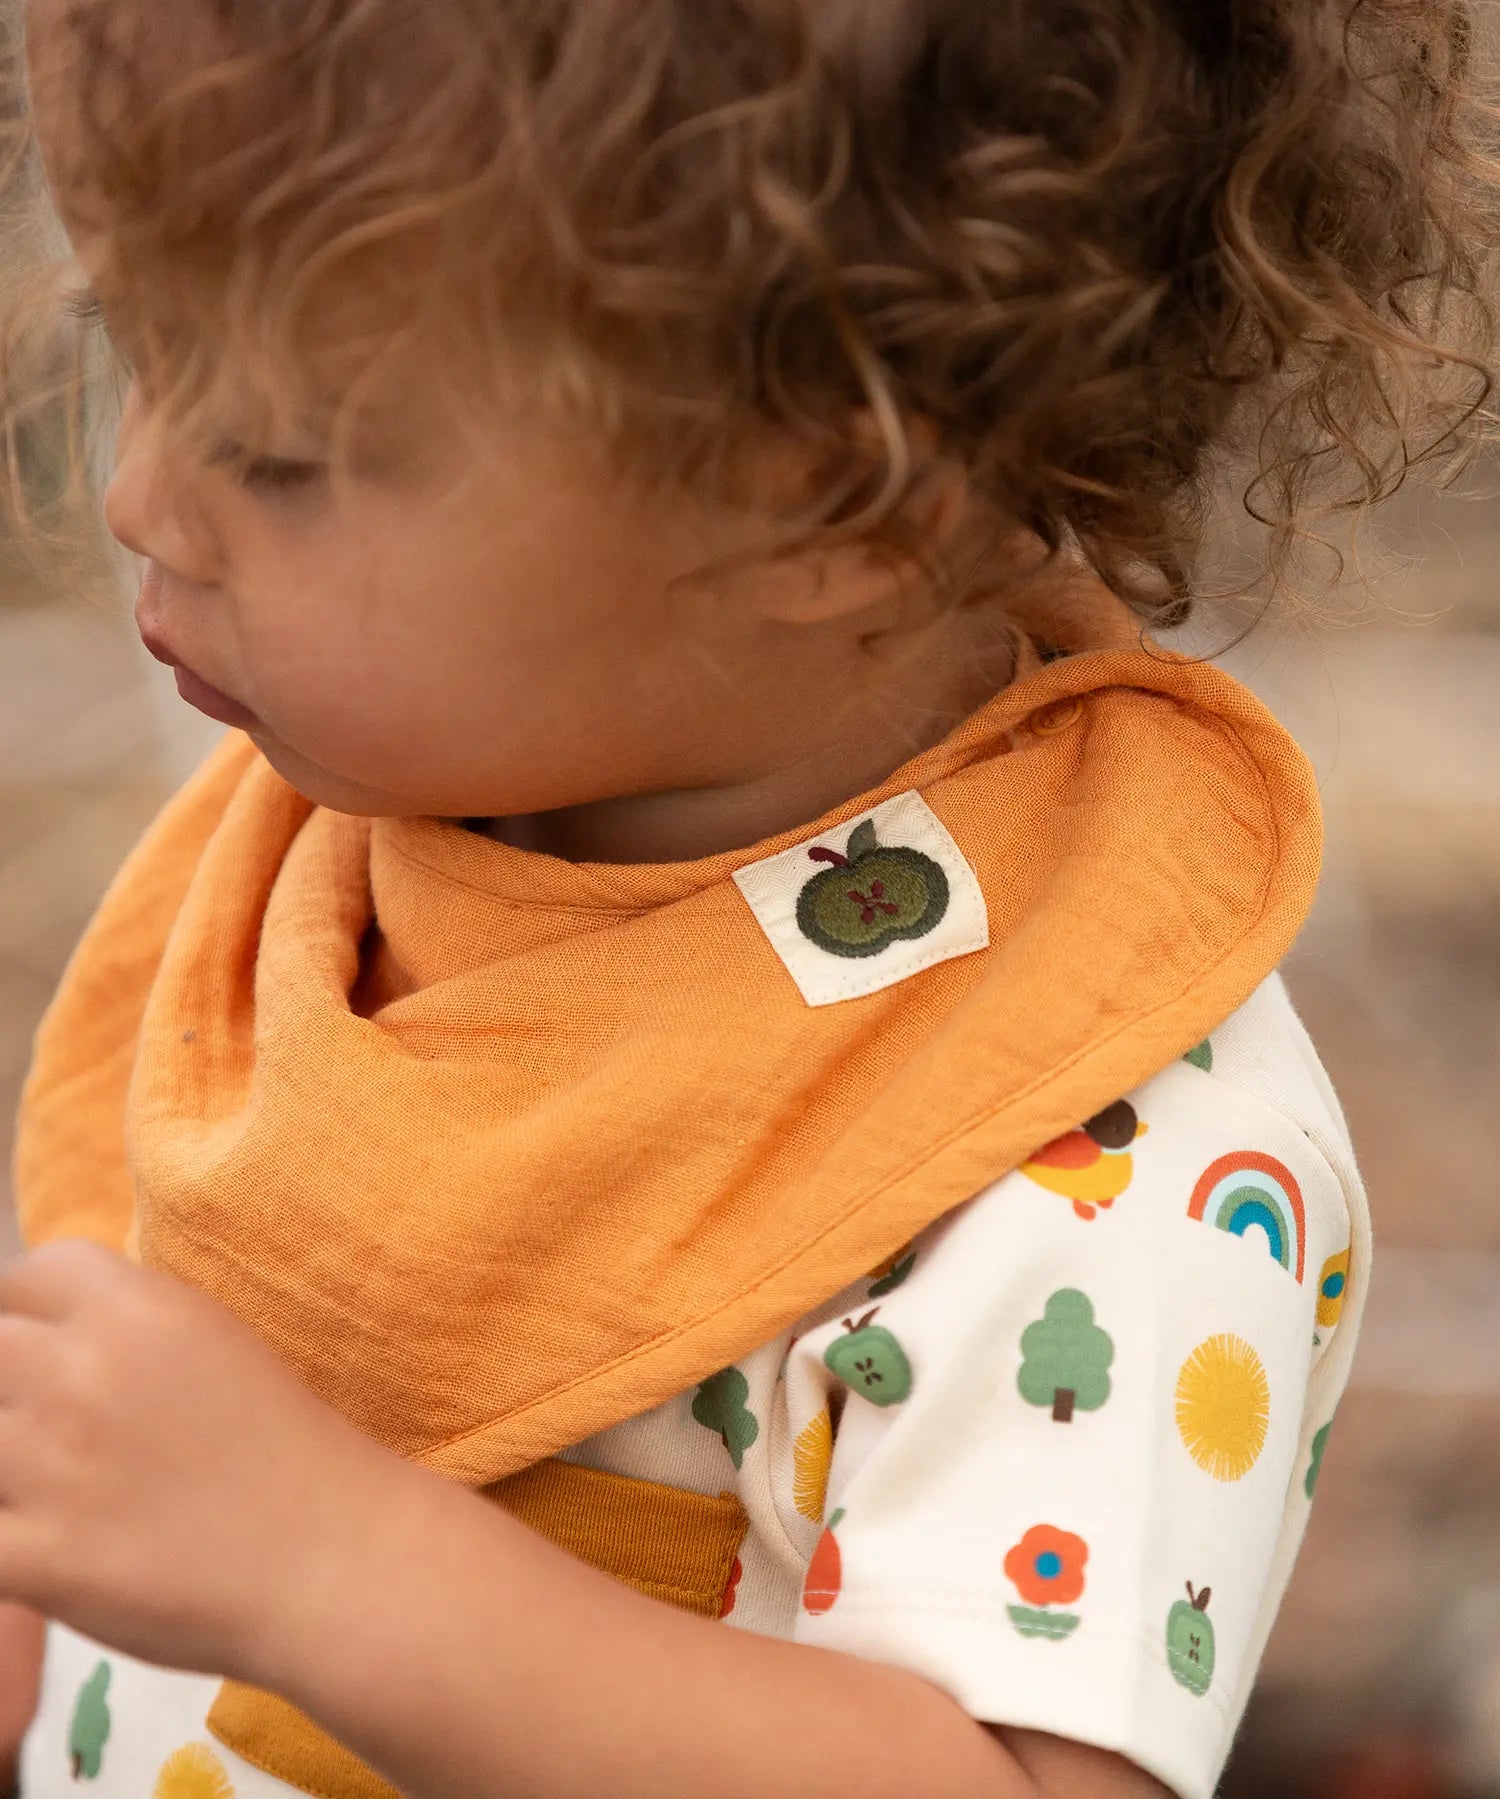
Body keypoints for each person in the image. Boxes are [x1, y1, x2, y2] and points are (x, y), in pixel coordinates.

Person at [0, 2, 1492, 1796]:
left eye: (284, 451)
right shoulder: (354, 841)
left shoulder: (1083, 1141)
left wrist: (326, 1571)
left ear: (829, 498)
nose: (141, 494)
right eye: (127, 346)